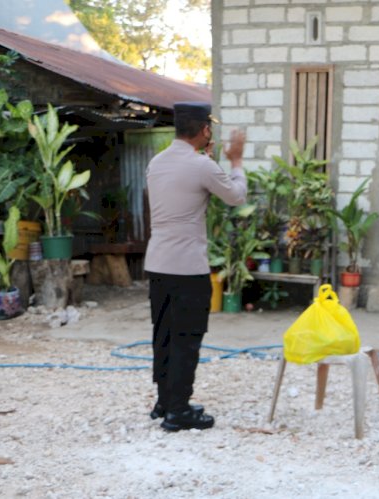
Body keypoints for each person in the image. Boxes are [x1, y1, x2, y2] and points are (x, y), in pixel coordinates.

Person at [144, 102, 247, 432]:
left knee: (164, 335)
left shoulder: (157, 162)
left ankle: (164, 401)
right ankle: (178, 412)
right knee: (187, 337)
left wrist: (210, 161)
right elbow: (235, 196)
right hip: (187, 268)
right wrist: (235, 162)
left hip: (158, 263)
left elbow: (189, 187)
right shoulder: (202, 165)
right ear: (204, 130)